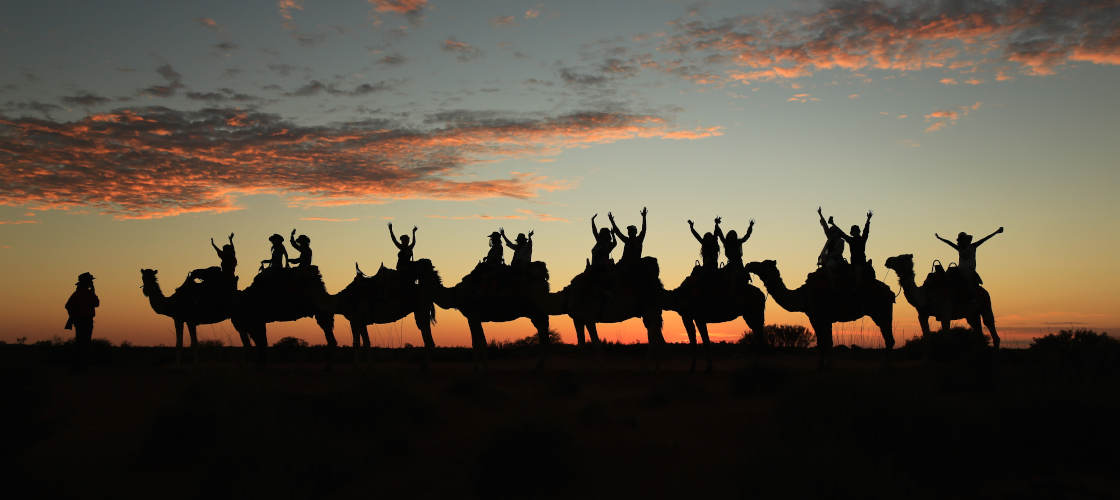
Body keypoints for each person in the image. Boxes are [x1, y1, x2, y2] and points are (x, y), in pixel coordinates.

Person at [935, 227, 1004, 286]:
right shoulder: (959, 248)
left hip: (970, 272)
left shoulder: (973, 246)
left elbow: (985, 239)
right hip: (960, 271)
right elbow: (949, 242)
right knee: (948, 274)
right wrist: (940, 238)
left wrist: (996, 232)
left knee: (970, 286)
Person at [64, 272, 99, 371]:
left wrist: (73, 316)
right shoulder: (85, 293)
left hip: (81, 321)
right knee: (84, 344)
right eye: (90, 281)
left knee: (81, 343)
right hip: (84, 321)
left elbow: (68, 306)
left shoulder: (79, 293)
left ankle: (79, 366)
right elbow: (96, 303)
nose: (91, 283)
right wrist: (93, 292)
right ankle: (80, 367)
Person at [832, 211, 873, 286]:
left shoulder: (858, 240)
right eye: (854, 231)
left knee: (858, 275)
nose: (855, 233)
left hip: (859, 262)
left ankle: (858, 287)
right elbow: (842, 233)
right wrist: (833, 224)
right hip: (854, 262)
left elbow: (866, 231)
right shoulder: (854, 240)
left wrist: (868, 219)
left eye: (855, 231)